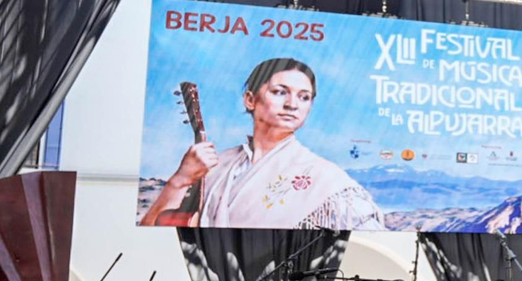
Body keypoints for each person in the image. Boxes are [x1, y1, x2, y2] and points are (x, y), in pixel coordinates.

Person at [140, 57, 384, 231]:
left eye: (304, 97)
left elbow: (372, 246)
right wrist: (181, 179)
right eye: (280, 92)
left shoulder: (326, 179)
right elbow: (153, 231)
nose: (292, 104)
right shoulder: (218, 165)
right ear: (250, 100)